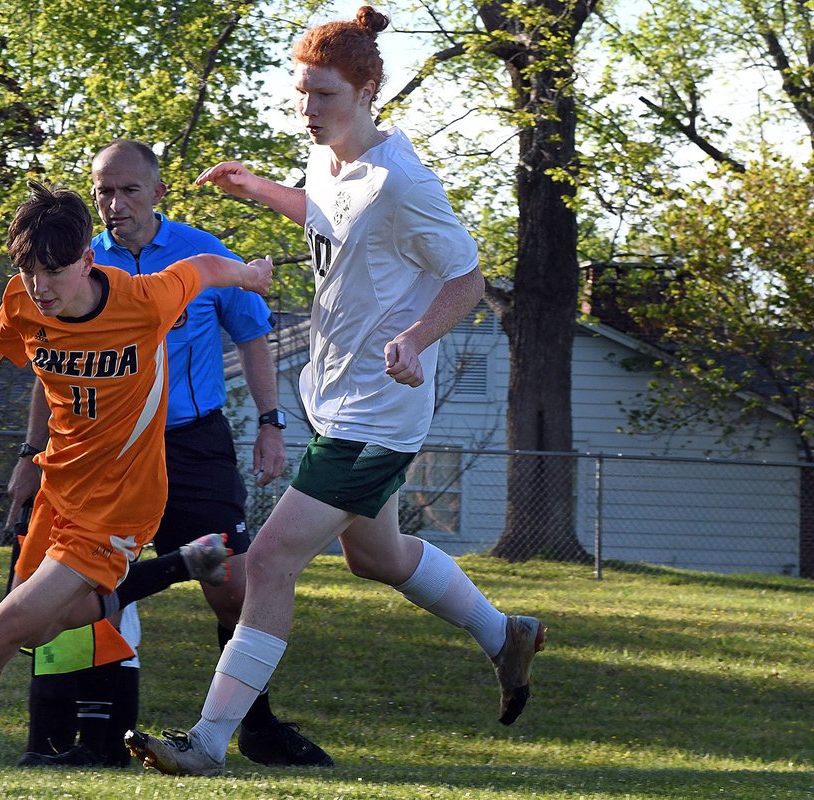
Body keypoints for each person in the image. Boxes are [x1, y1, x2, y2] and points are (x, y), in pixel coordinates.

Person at [126, 6, 546, 776]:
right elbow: (328, 217)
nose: (306, 110)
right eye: (300, 94)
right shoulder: (327, 163)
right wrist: (259, 190)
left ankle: (211, 741)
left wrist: (416, 338)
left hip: (379, 415)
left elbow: (466, 277)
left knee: (274, 556)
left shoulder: (404, 181)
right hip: (336, 401)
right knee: (376, 556)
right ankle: (504, 634)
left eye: (322, 96)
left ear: (366, 90)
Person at [0, 180, 273, 738]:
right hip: (61, 493)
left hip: (121, 505)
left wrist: (247, 274)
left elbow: (202, 267)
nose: (40, 286)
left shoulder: (143, 302)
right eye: (29, 270)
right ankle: (176, 566)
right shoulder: (25, 301)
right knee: (41, 631)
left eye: (53, 271)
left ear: (86, 258)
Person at [7, 139, 332, 767]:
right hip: (99, 455)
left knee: (235, 587)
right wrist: (31, 452)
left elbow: (254, 333)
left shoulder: (203, 253)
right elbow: (50, 370)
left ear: (157, 193)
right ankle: (75, 738)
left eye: (129, 189)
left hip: (191, 444)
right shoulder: (70, 262)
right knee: (68, 585)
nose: (114, 202)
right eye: (104, 189)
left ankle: (254, 726)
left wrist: (271, 423)